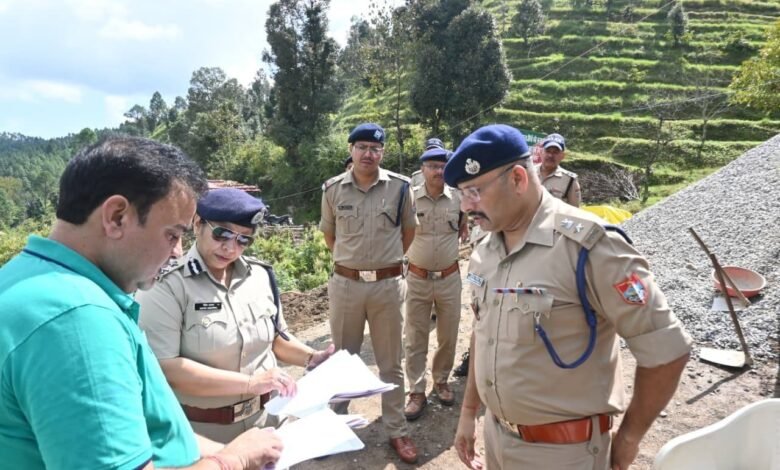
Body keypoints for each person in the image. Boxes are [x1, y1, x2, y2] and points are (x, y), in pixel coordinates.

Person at [0, 137, 283, 469]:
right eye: (172, 234)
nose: (177, 251)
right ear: (117, 216)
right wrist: (234, 459)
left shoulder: (28, 278)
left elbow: (154, 436)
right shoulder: (77, 320)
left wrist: (222, 450)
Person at [445, 125, 692, 470]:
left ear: (517, 179)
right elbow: (483, 332)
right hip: (497, 437)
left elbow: (667, 350)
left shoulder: (590, 246)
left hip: (563, 454)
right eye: (460, 193)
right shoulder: (486, 249)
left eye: (474, 191)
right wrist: (470, 412)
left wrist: (629, 438)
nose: (466, 206)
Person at [137, 188, 335, 443]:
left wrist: (311, 357)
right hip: (204, 433)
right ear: (197, 224)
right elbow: (166, 367)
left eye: (243, 240)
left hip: (267, 421)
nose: (230, 248)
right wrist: (251, 383)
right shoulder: (167, 286)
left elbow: (275, 339)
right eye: (222, 234)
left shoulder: (260, 276)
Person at [319, 123, 420, 464]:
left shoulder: (401, 187)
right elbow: (330, 236)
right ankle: (335, 426)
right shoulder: (333, 189)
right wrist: (355, 264)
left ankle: (396, 429)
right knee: (342, 360)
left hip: (387, 286)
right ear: (351, 150)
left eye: (375, 148)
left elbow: (409, 232)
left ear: (382, 152)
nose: (368, 153)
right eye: (361, 147)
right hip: (346, 285)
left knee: (391, 362)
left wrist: (383, 264)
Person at [403, 145, 468, 421]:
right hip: (417, 278)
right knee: (415, 336)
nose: (438, 171)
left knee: (448, 335)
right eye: (432, 166)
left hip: (449, 278)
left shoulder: (459, 198)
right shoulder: (408, 198)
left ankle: (441, 381)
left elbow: (464, 226)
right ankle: (416, 390)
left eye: (442, 166)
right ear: (422, 169)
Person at [537, 133, 581, 207]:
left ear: (563, 156)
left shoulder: (570, 180)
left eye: (555, 152)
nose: (550, 155)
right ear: (541, 153)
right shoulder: (529, 173)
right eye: (548, 151)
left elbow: (575, 210)